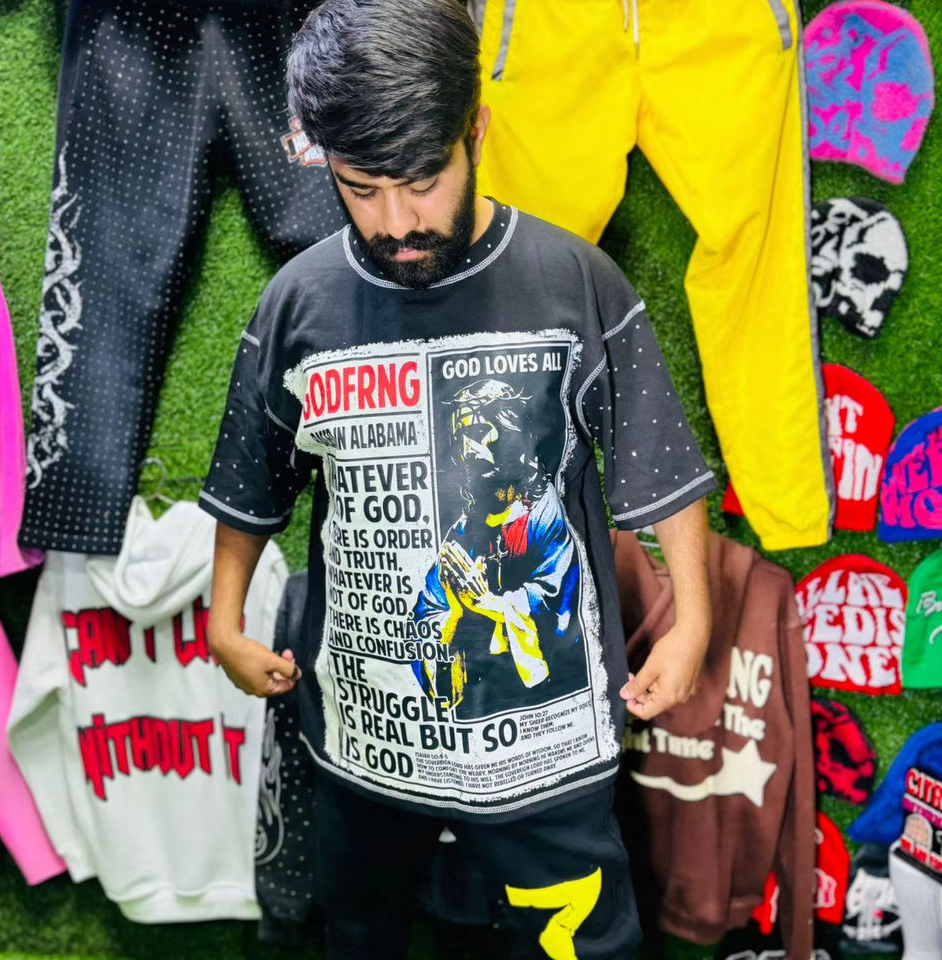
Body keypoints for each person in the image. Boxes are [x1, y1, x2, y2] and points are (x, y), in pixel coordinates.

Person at [200, 1, 715, 957]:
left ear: (473, 128)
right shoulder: (296, 303)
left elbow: (660, 463)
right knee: (360, 938)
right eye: (362, 188)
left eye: (422, 180)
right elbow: (250, 481)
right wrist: (224, 619)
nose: (398, 222)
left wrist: (693, 619)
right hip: (366, 738)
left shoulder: (575, 281)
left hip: (545, 747)